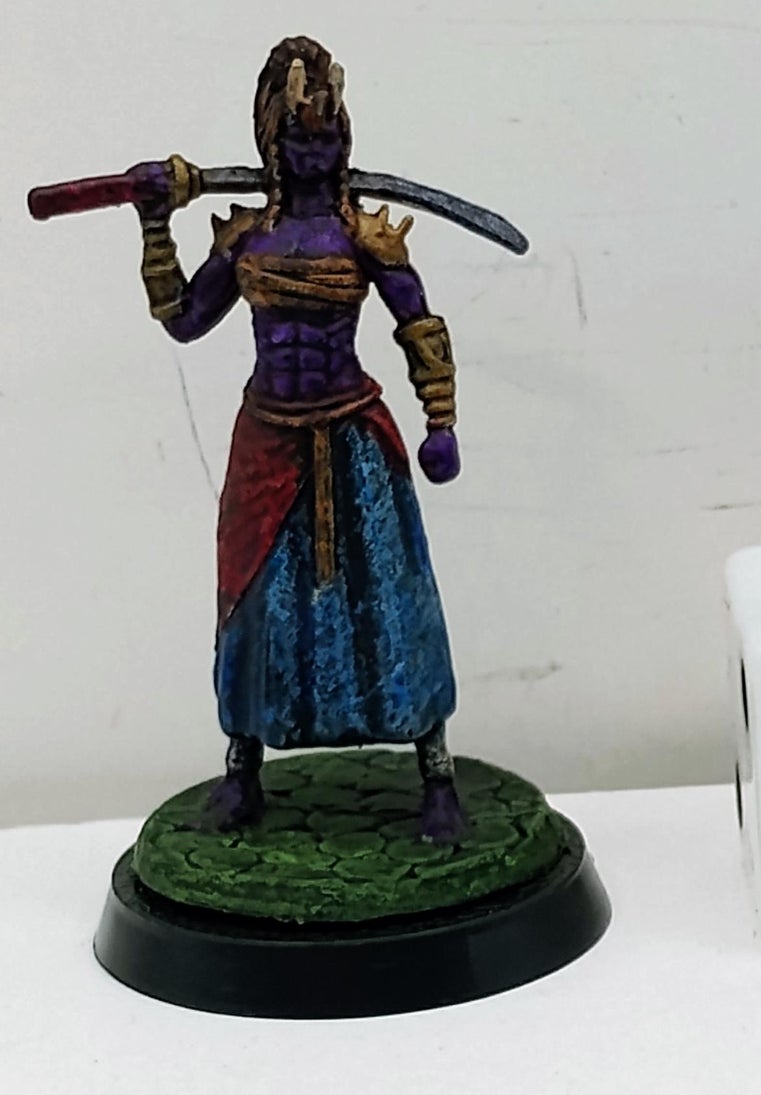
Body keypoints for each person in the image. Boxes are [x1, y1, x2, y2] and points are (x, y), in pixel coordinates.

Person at [126, 36, 466, 840]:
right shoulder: (246, 240)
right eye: (299, 135)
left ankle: (437, 775)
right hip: (267, 442)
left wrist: (440, 420)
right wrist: (154, 223)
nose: (317, 151)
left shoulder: (366, 238)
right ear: (270, 141)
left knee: (393, 602)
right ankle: (242, 769)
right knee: (252, 603)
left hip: (355, 440)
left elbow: (420, 324)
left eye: (328, 134)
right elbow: (183, 319)